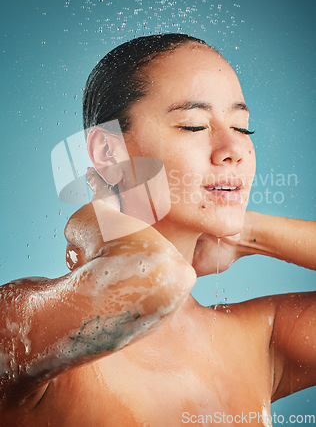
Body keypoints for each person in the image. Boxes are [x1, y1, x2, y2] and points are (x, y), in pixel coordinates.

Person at [0, 34, 315, 426]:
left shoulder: (261, 340)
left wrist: (247, 231)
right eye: (194, 125)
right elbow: (154, 279)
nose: (233, 147)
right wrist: (91, 218)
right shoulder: (19, 324)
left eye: (242, 127)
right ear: (107, 152)